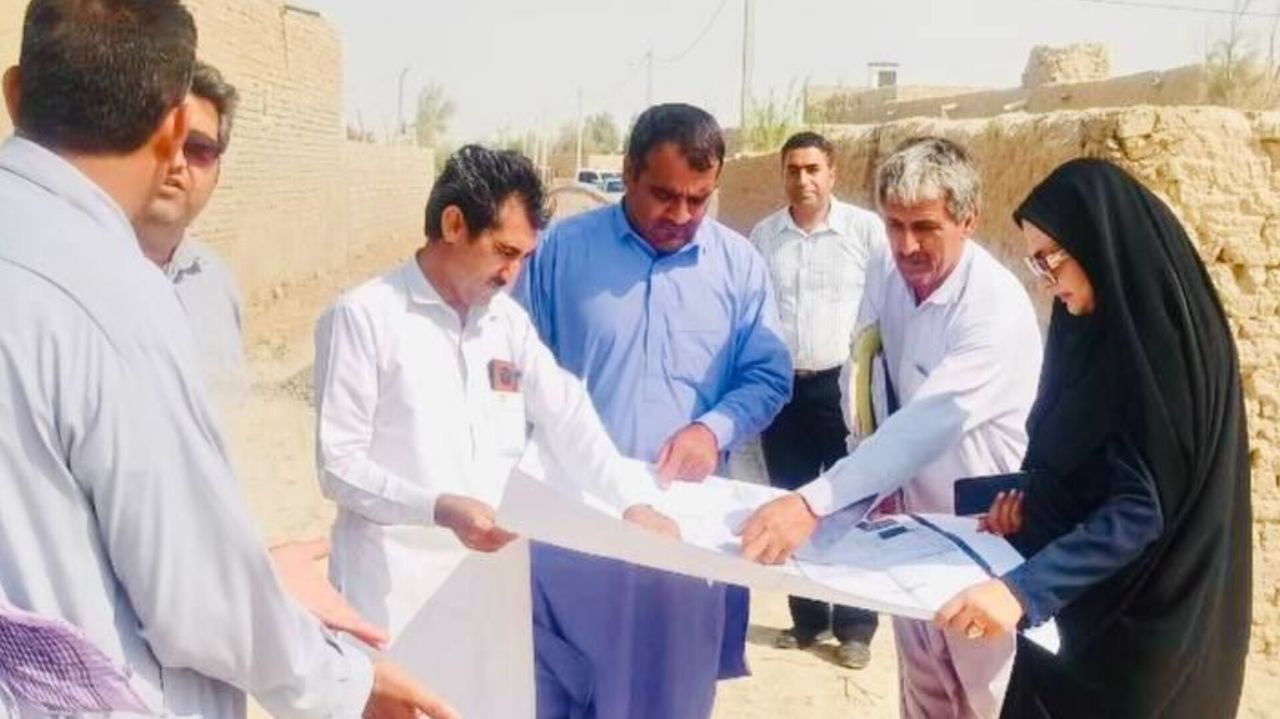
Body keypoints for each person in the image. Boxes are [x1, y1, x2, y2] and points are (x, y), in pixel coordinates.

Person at [0, 1, 452, 716]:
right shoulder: (116, 298)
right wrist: (346, 681)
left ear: (15, 92)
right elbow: (195, 601)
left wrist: (248, 571)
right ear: (172, 128)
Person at [315, 144, 679, 640]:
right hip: (390, 596)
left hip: (488, 593)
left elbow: (567, 416)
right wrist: (440, 508)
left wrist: (630, 502)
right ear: (453, 225)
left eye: (524, 258)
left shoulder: (506, 323)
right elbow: (339, 466)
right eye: (505, 252)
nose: (512, 275)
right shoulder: (365, 317)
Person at [934, 158, 1252, 718]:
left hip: (1149, 628)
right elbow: (1083, 464)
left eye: (1050, 259)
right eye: (1035, 264)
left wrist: (1022, 591)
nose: (1045, 280)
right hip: (1080, 608)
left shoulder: (1163, 349)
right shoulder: (1090, 334)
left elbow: (1141, 507)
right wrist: (1035, 509)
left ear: (1098, 244)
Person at [739, 137, 1042, 719]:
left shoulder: (992, 308)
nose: (907, 246)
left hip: (984, 527)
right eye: (894, 225)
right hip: (911, 520)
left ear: (969, 220)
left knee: (985, 692)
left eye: (925, 228)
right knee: (925, 686)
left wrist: (816, 501)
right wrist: (871, 480)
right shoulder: (887, 266)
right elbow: (864, 370)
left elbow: (927, 423)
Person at [517, 103, 793, 719]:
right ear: (628, 173)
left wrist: (713, 428)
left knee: (670, 696)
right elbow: (511, 370)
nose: (682, 215)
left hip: (682, 538)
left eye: (699, 199)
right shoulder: (559, 254)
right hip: (576, 531)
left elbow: (768, 375)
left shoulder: (739, 267)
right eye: (665, 196)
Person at [748, 130, 884, 668]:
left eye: (812, 169)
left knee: (851, 502)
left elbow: (886, 304)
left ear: (832, 173)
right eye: (793, 169)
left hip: (844, 387)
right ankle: (807, 620)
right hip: (785, 389)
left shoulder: (864, 231)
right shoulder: (765, 236)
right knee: (790, 496)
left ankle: (856, 627)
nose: (802, 179)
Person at [134, 60, 248, 403]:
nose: (177, 162)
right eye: (163, 140)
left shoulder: (217, 284)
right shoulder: (73, 279)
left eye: (198, 149)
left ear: (217, 173)